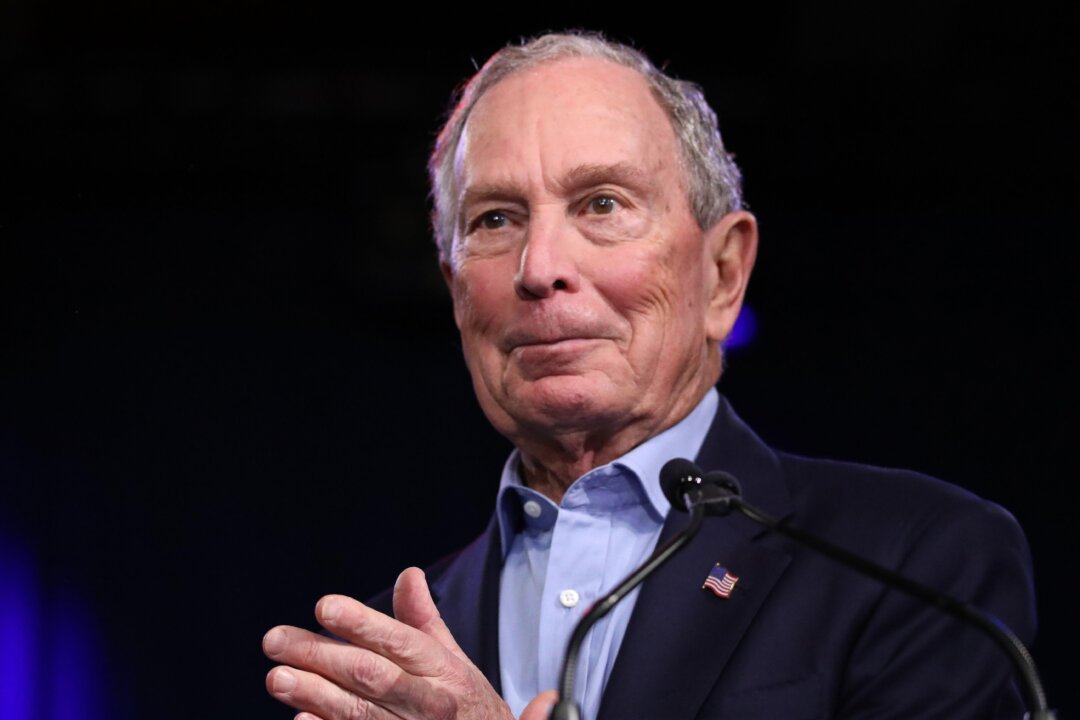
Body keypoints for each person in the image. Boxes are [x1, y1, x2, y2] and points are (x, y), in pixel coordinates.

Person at [262, 32, 1036, 719]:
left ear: (723, 272)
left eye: (602, 204)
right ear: (456, 289)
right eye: (495, 219)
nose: (541, 269)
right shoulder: (388, 666)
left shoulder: (915, 563)